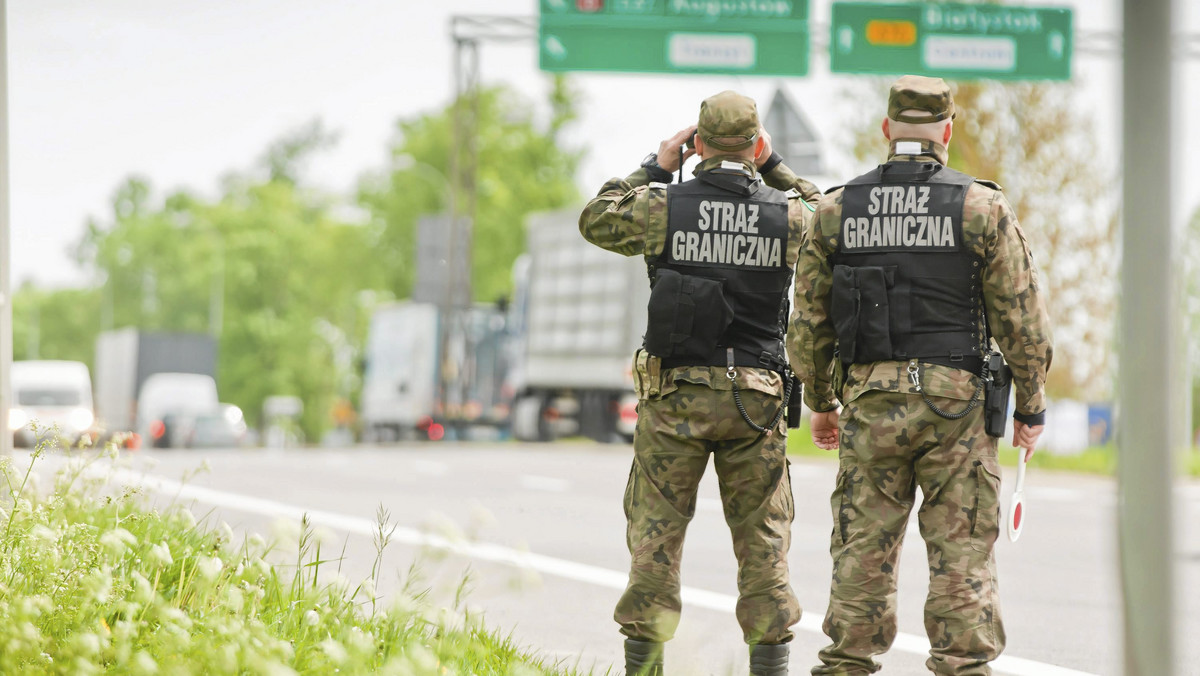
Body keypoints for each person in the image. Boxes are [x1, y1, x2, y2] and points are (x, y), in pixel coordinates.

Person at [790, 75, 1052, 675]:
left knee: (862, 554)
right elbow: (1022, 318)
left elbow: (807, 324)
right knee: (962, 561)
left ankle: (848, 664)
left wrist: (821, 399)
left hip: (869, 403)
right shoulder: (981, 208)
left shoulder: (835, 210)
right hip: (956, 408)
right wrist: (1031, 406)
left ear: (887, 130)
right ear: (948, 132)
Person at [580, 91, 821, 676]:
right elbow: (831, 215)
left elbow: (596, 219)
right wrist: (776, 168)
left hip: (675, 396)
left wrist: (655, 166)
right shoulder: (790, 216)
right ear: (757, 144)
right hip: (756, 398)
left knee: (655, 537)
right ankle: (768, 667)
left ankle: (645, 666)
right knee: (763, 539)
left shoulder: (663, 206)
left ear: (697, 145)